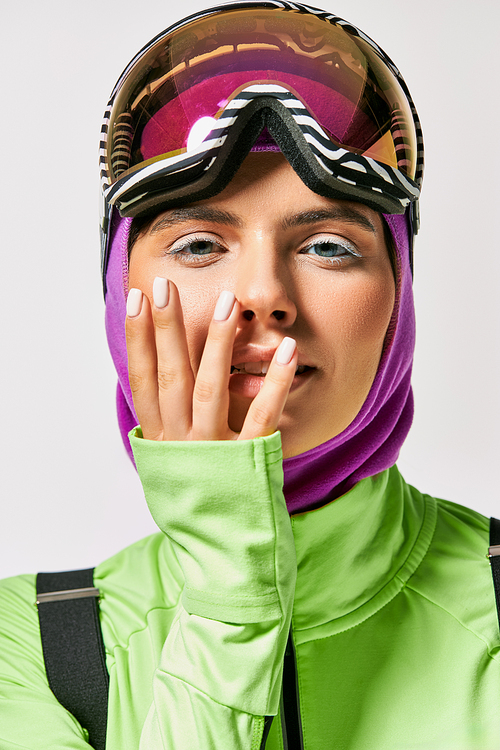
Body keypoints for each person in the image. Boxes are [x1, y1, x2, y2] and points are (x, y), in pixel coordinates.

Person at [1, 2, 499, 749]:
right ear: (116, 293)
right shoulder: (34, 647)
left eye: (329, 246)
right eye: (200, 244)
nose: (265, 296)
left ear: (399, 297)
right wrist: (228, 593)